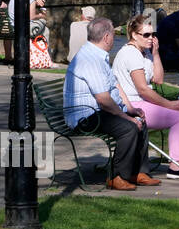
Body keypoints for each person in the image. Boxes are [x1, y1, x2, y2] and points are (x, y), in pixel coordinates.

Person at [64, 17, 159, 190]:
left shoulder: (98, 55)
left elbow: (115, 84)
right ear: (107, 37)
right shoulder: (90, 59)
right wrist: (126, 118)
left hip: (97, 111)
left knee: (139, 119)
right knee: (128, 128)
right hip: (86, 116)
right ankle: (117, 177)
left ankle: (137, 172)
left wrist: (130, 109)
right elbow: (104, 100)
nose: (114, 39)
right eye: (114, 35)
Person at [113, 13, 179, 179]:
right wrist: (169, 104)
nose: (151, 38)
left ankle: (178, 162)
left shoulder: (144, 53)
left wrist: (156, 53)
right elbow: (143, 89)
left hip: (141, 102)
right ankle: (175, 166)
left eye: (153, 34)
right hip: (133, 105)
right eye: (146, 35)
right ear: (134, 35)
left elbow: (158, 80)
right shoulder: (131, 54)